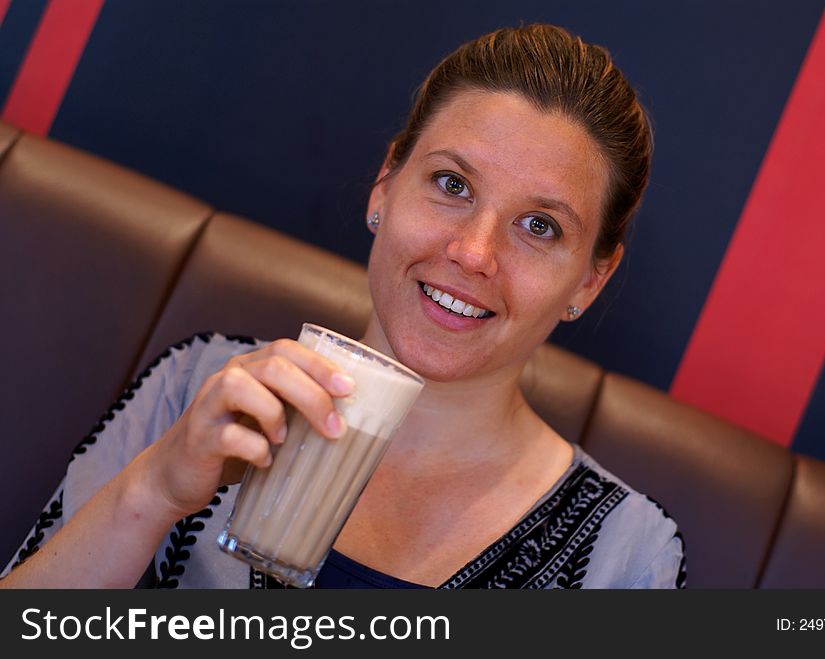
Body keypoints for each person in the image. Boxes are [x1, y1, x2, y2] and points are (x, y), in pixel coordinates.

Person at [1, 24, 685, 589]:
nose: (474, 252)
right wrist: (153, 488)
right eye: (452, 183)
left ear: (591, 280)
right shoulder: (198, 389)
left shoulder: (627, 554)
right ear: (385, 186)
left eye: (540, 227)